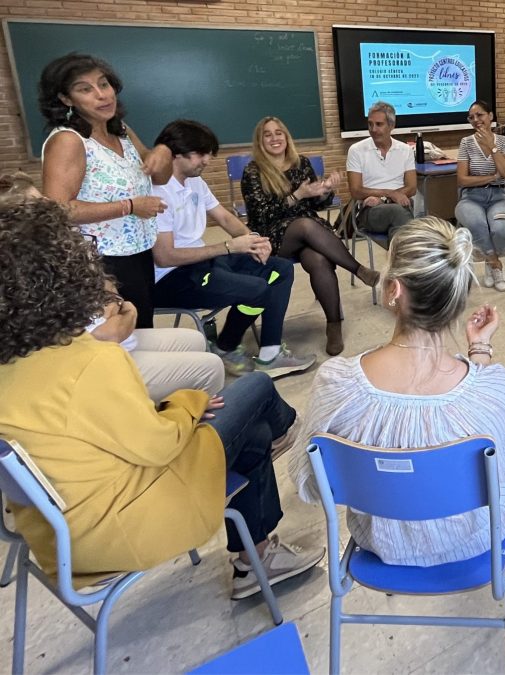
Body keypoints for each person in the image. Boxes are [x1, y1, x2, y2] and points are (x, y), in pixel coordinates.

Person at [0, 196, 322, 598]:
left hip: (58, 532)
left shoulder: (17, 358)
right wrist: (188, 403)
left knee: (252, 436)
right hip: (115, 529)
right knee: (256, 389)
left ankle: (254, 561)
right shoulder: (92, 360)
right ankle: (289, 438)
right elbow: (159, 445)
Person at [289, 216, 505, 566]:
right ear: (455, 297)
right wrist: (479, 350)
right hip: (474, 540)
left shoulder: (336, 384)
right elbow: (500, 478)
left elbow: (308, 483)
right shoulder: (492, 387)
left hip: (380, 544)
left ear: (393, 290)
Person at [1, 171, 225, 404]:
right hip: (91, 366)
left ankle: (173, 406)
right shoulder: (26, 276)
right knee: (211, 367)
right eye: (38, 205)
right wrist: (128, 311)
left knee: (194, 340)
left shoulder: (58, 249)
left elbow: (107, 287)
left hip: (110, 342)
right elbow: (110, 333)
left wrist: (116, 305)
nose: (50, 206)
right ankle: (186, 418)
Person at [152, 120, 315, 378]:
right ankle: (225, 347)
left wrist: (254, 240)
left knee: (281, 269)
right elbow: (165, 257)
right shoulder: (157, 193)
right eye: (201, 154)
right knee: (257, 289)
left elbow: (225, 218)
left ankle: (270, 353)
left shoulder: (195, 182)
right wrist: (228, 246)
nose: (207, 161)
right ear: (176, 153)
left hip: (203, 263)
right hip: (173, 277)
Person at [39, 53, 172, 328]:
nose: (102, 95)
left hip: (138, 251)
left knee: (142, 328)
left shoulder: (120, 129)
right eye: (85, 89)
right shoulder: (68, 141)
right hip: (100, 262)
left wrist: (163, 153)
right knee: (124, 337)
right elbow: (57, 209)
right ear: (66, 99)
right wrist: (130, 207)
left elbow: (159, 174)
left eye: (103, 84)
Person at [241, 116, 380, 355]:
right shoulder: (253, 171)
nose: (274, 138)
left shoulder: (301, 163)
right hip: (271, 235)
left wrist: (325, 190)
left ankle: (333, 325)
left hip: (309, 233)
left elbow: (317, 204)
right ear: (260, 141)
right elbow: (261, 215)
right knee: (305, 225)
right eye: (268, 134)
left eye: (279, 133)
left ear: (286, 137)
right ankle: (358, 269)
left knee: (319, 259)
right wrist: (297, 196)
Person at [455, 100, 505, 293]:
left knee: (502, 229)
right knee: (477, 224)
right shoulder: (466, 142)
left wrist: (492, 146)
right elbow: (462, 180)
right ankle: (495, 264)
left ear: (490, 116)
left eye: (479, 115)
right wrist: (492, 176)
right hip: (471, 197)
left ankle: (490, 262)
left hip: (498, 196)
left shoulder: (504, 141)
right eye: (471, 117)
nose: (475, 120)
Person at [346, 101, 417, 246]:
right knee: (402, 217)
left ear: (391, 125)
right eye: (370, 124)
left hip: (400, 205)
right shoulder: (356, 150)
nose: (373, 129)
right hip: (370, 210)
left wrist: (385, 199)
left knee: (400, 227)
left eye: (379, 124)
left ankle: (398, 257)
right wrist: (389, 194)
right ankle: (405, 256)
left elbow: (412, 188)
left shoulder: (405, 150)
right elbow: (356, 191)